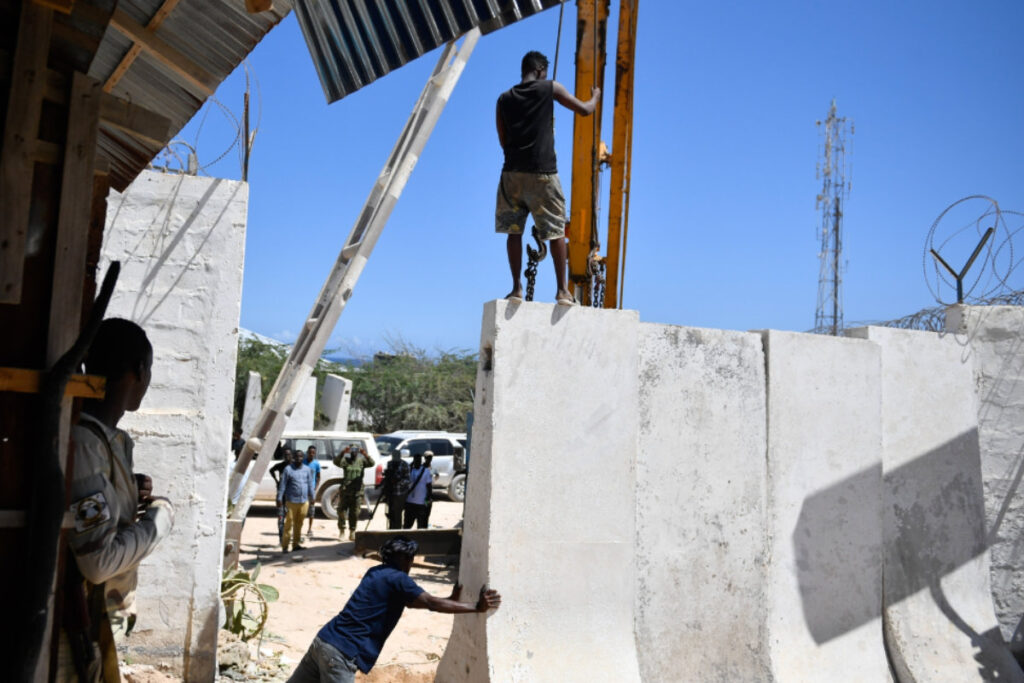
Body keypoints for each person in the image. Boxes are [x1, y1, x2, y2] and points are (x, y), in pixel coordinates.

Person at [59, 318, 175, 682]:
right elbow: (98, 561)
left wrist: (126, 493)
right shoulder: (87, 443)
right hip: (79, 629)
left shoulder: (108, 441)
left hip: (101, 626)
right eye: (150, 369)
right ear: (139, 370)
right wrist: (160, 519)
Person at [288, 537, 501, 683]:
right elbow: (430, 604)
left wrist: (450, 600)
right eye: (411, 558)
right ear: (406, 559)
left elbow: (414, 601)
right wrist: (476, 607)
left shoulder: (375, 572)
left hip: (323, 641)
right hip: (342, 654)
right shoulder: (400, 579)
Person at [495, 50, 601, 305]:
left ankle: (516, 288)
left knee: (514, 231)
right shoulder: (550, 87)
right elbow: (585, 110)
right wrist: (596, 96)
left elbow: (503, 139)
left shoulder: (503, 99)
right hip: (543, 172)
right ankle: (563, 291)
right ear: (541, 69)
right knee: (555, 232)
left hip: (511, 174)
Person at [334, 445, 375, 542]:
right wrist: (343, 452)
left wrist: (365, 454)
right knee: (341, 511)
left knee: (355, 513)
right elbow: (336, 462)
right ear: (350, 451)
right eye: (352, 450)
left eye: (356, 450)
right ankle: (342, 531)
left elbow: (372, 463)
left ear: (358, 451)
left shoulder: (362, 461)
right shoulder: (345, 460)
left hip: (357, 491)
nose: (354, 452)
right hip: (345, 491)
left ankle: (352, 531)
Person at [277, 450, 315, 553]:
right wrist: (279, 498)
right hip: (291, 502)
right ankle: (285, 547)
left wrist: (313, 497)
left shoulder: (307, 469)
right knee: (288, 525)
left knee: (299, 524)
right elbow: (283, 485)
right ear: (294, 457)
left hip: (304, 502)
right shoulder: (288, 469)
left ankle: (296, 545)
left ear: (303, 457)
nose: (299, 459)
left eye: (301, 457)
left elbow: (310, 484)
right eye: (297, 456)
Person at [381, 449, 411, 530]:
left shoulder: (405, 465)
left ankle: (397, 531)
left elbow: (408, 480)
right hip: (391, 492)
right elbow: (387, 476)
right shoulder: (390, 464)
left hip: (400, 493)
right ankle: (391, 530)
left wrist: (398, 481)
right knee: (391, 514)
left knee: (397, 514)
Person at [403, 453, 431, 529]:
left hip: (421, 503)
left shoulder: (426, 471)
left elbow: (429, 487)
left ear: (421, 461)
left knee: (421, 526)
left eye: (418, 460)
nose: (417, 462)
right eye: (415, 460)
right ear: (413, 461)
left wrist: (427, 501)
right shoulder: (410, 470)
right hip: (409, 503)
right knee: (407, 526)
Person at [271, 447, 292, 543]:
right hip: (281, 496)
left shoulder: (293, 466)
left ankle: (288, 537)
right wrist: (276, 480)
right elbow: (271, 470)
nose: (287, 456)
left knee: (290, 518)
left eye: (289, 455)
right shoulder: (281, 465)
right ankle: (281, 538)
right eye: (286, 455)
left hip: (291, 497)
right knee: (280, 518)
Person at [304, 445, 322, 538]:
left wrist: (316, 488)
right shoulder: (302, 462)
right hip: (302, 490)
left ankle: (309, 529)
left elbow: (318, 477)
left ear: (314, 454)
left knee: (311, 510)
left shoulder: (316, 464)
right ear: (307, 452)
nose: (311, 454)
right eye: (310, 452)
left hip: (311, 491)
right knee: (301, 510)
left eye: (313, 453)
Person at [422, 453, 436, 527]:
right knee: (424, 512)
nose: (430, 459)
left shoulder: (431, 468)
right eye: (428, 457)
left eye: (431, 457)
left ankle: (425, 526)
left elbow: (436, 476)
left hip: (429, 494)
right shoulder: (422, 467)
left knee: (427, 513)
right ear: (425, 458)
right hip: (424, 494)